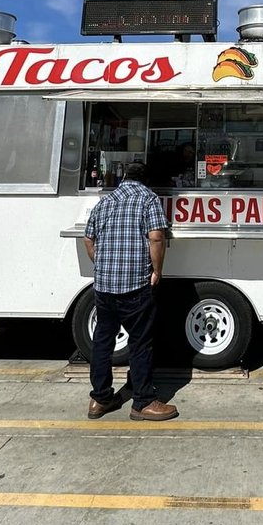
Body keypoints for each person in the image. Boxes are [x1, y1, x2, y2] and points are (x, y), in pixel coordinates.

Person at [83, 161, 178, 422]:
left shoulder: (105, 201)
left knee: (103, 342)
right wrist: (157, 270)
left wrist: (102, 264)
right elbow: (156, 237)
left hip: (103, 285)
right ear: (145, 180)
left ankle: (100, 399)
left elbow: (88, 238)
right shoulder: (148, 199)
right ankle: (144, 402)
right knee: (140, 343)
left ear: (124, 177)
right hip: (135, 285)